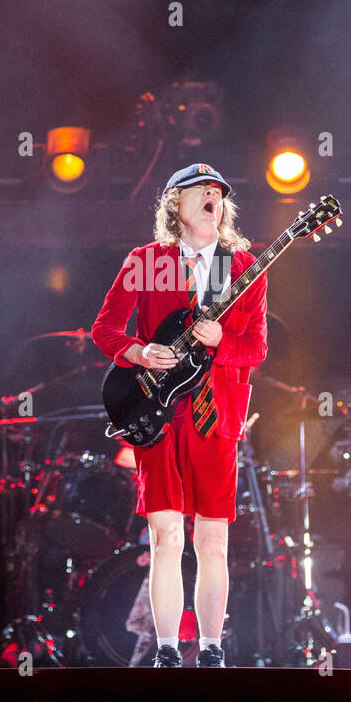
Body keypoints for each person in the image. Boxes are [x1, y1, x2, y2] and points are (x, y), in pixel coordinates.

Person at [92, 163, 267, 667]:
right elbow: (104, 330)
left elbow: (255, 348)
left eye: (218, 191)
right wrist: (139, 354)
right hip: (156, 410)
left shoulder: (241, 266)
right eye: (201, 191)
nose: (212, 196)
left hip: (216, 413)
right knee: (166, 535)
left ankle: (212, 649)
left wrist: (222, 340)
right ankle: (166, 650)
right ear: (175, 205)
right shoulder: (146, 261)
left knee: (212, 538)